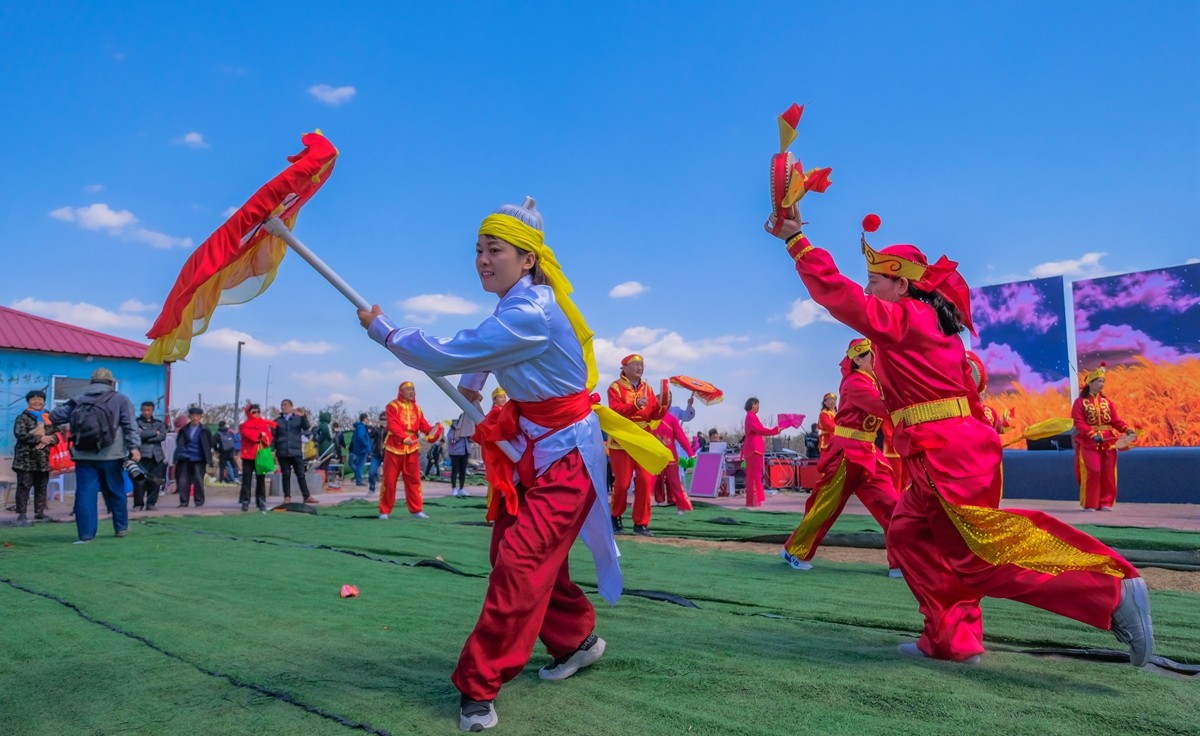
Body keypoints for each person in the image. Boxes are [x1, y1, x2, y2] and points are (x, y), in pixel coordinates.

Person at [766, 211, 1153, 667]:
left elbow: (843, 299)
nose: (868, 288)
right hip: (943, 450)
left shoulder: (908, 317)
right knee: (909, 535)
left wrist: (797, 240)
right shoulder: (927, 324)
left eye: (874, 281)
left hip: (946, 453)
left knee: (973, 558)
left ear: (902, 285)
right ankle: (952, 639)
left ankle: (1110, 594)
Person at [357, 196, 668, 732]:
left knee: (520, 564)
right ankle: (576, 641)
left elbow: (456, 351)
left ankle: (478, 688)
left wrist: (386, 331)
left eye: (493, 250)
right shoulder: (514, 308)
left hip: (568, 456)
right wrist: (473, 391)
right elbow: (483, 357)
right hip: (534, 452)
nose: (481, 259)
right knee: (517, 555)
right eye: (477, 249)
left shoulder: (531, 311)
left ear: (527, 260)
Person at [781, 339, 901, 575]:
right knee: (826, 506)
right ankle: (795, 550)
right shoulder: (855, 383)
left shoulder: (876, 382)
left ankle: (900, 562)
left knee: (892, 505)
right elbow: (883, 407)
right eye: (872, 356)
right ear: (857, 359)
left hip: (868, 454)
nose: (878, 361)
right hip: (846, 453)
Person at [48, 368, 140, 543]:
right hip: (112, 455)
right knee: (116, 491)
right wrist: (134, 447)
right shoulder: (120, 399)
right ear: (111, 382)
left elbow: (55, 416)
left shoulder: (79, 399)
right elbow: (130, 425)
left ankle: (86, 535)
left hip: (83, 455)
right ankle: (120, 527)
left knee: (85, 494)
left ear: (92, 382)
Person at [607, 354, 667, 536]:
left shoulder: (647, 389)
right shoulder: (615, 388)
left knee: (644, 481)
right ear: (624, 368)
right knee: (623, 483)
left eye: (641, 365)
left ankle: (641, 524)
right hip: (622, 441)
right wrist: (635, 404)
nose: (639, 367)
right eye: (635, 364)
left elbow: (653, 416)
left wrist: (663, 406)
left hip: (642, 441)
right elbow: (615, 412)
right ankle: (615, 517)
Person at [1072, 363, 1135, 512]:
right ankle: (1090, 503)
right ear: (1090, 383)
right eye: (1099, 381)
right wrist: (1092, 435)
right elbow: (1079, 422)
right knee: (1093, 470)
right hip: (1089, 441)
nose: (1102, 384)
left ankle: (1106, 501)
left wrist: (1127, 429)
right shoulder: (1080, 403)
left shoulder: (1107, 402)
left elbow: (1115, 420)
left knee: (1108, 471)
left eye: (1103, 382)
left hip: (1108, 441)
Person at [380, 381, 440, 519]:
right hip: (394, 446)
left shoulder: (417, 409)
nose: (411, 392)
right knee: (389, 480)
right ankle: (385, 511)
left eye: (413, 389)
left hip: (412, 447)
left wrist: (435, 430)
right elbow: (392, 425)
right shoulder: (392, 406)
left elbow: (424, 427)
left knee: (414, 479)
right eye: (408, 389)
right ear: (401, 391)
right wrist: (402, 437)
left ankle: (416, 510)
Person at [11, 389, 58, 525]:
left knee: (41, 486)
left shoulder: (50, 417)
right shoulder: (22, 417)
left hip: (43, 459)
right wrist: (40, 438)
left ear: (44, 401)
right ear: (28, 401)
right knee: (24, 486)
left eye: (40, 398)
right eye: (33, 399)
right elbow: (20, 434)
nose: (37, 401)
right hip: (25, 459)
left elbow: (58, 435)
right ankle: (22, 514)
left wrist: (50, 439)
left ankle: (40, 513)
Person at [651, 398, 695, 514]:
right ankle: (656, 501)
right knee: (653, 481)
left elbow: (681, 437)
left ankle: (681, 505)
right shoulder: (650, 419)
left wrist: (691, 453)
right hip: (655, 456)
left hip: (670, 456)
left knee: (675, 482)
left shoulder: (672, 418)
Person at [273, 399, 317, 504]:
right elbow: (274, 436)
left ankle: (306, 496)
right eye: (282, 405)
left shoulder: (297, 419)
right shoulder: (277, 421)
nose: (283, 407)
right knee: (286, 475)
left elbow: (306, 427)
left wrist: (303, 416)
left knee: (301, 474)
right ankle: (287, 496)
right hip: (283, 451)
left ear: (291, 407)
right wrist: (273, 449)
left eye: (286, 405)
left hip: (296, 451)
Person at [741, 397, 780, 508]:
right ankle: (753, 501)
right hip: (753, 449)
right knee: (754, 476)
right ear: (751, 405)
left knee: (754, 475)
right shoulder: (751, 416)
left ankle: (754, 500)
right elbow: (760, 430)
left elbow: (760, 429)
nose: (758, 406)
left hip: (754, 449)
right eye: (756, 404)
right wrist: (775, 430)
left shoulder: (752, 416)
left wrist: (775, 430)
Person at [238, 403, 275, 511]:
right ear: (248, 413)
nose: (256, 414)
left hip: (261, 456)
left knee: (261, 479)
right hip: (248, 456)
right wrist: (261, 436)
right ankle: (245, 501)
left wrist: (262, 437)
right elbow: (250, 436)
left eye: (258, 411)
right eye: (253, 412)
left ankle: (261, 501)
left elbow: (268, 437)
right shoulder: (244, 425)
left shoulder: (264, 424)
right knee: (247, 480)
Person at [174, 406, 212, 507]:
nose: (195, 418)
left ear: (200, 417)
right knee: (183, 480)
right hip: (184, 457)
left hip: (199, 458)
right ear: (189, 417)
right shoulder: (184, 429)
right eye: (193, 416)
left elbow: (209, 443)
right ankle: (183, 502)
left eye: (197, 416)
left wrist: (208, 457)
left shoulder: (205, 430)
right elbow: (179, 442)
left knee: (198, 480)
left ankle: (199, 501)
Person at [131, 401, 166, 510]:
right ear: (141, 410)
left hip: (157, 456)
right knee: (139, 481)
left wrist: (146, 436)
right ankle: (138, 504)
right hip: (141, 456)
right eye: (144, 410)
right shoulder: (136, 422)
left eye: (149, 410)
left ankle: (151, 504)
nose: (146, 412)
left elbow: (163, 436)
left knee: (155, 481)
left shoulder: (159, 423)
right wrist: (155, 433)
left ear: (152, 411)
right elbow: (138, 435)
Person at [447, 420, 471, 496]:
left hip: (465, 453)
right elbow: (451, 439)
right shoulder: (453, 428)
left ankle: (461, 488)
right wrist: (459, 435)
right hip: (455, 453)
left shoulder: (466, 429)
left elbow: (470, 440)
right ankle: (454, 488)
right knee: (455, 471)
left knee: (463, 471)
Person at [349, 413, 371, 486]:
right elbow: (360, 437)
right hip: (362, 449)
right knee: (360, 465)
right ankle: (359, 480)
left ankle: (358, 479)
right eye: (367, 418)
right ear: (364, 419)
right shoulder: (361, 427)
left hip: (359, 449)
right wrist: (366, 444)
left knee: (358, 465)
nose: (368, 420)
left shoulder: (360, 427)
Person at [367, 411, 386, 495]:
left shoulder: (391, 429)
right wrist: (375, 428)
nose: (383, 421)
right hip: (376, 454)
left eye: (385, 419)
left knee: (389, 474)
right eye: (382, 419)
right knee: (372, 472)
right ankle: (372, 489)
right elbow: (369, 435)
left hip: (387, 454)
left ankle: (387, 491)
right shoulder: (376, 429)